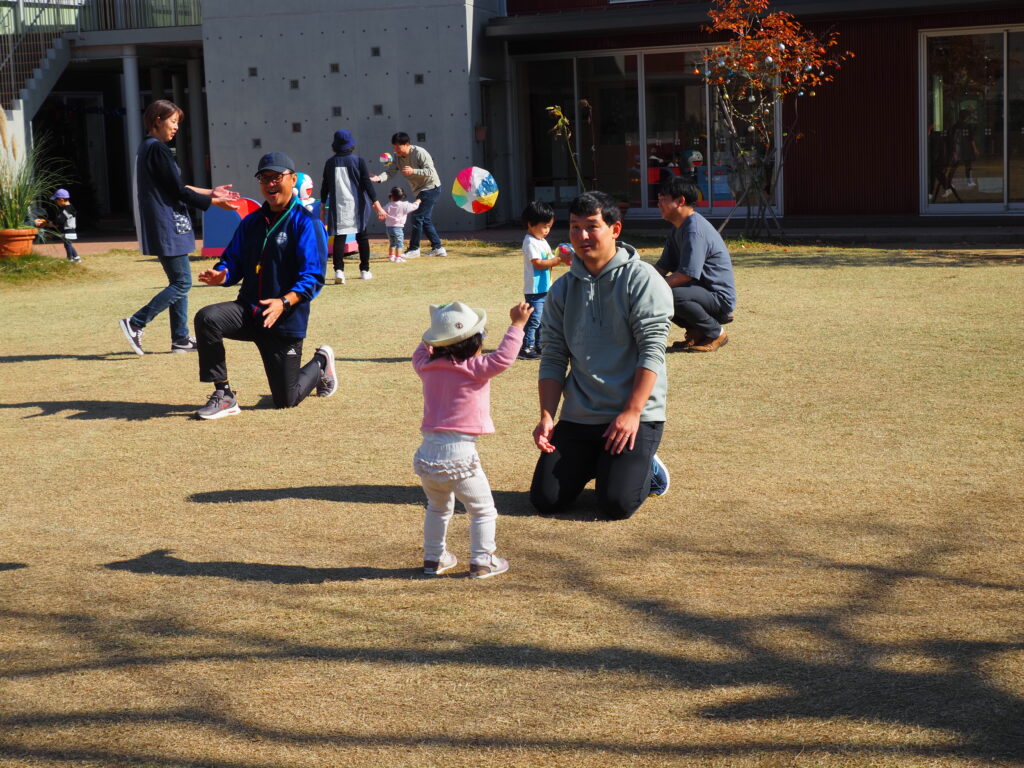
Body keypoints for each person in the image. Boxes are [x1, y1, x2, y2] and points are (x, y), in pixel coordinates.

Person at [530, 191, 674, 520]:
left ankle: (647, 468)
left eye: (592, 226)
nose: (582, 236)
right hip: (580, 416)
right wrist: (547, 416)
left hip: (634, 415)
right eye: (575, 227)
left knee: (615, 505)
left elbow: (652, 350)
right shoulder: (562, 289)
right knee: (545, 500)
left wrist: (633, 412)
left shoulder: (643, 279)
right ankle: (603, 463)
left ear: (615, 230)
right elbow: (553, 356)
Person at [193, 152, 334, 420]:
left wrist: (284, 302)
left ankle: (321, 363)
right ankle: (224, 394)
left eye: (276, 177)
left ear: (292, 179)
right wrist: (222, 275)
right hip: (249, 312)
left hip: (284, 321)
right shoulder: (252, 222)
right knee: (208, 318)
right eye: (264, 178)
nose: (270, 184)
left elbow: (313, 277)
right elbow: (232, 260)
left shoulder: (307, 223)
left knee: (286, 400)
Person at [413, 300, 532, 578]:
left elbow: (421, 349)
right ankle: (482, 560)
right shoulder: (476, 367)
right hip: (459, 455)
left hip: (427, 453)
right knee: (483, 510)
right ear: (475, 342)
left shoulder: (426, 366)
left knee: (437, 507)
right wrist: (517, 325)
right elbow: (504, 357)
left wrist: (436, 327)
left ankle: (434, 558)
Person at [120, 99, 238, 356]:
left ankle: (180, 339)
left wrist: (211, 192)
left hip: (168, 223)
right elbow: (177, 191)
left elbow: (177, 186)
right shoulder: (157, 149)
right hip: (167, 224)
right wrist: (214, 202)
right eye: (173, 121)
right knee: (183, 283)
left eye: (177, 123)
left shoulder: (149, 148)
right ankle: (136, 322)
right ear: (157, 120)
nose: (176, 127)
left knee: (178, 281)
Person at [654, 176, 736, 353]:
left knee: (670, 293)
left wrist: (654, 286)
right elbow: (662, 267)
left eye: (663, 199)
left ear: (680, 201)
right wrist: (639, 281)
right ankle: (697, 332)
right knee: (658, 292)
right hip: (698, 293)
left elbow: (686, 274)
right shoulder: (677, 228)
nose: (658, 204)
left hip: (717, 298)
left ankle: (717, 333)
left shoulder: (694, 229)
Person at [319, 129, 386, 284]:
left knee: (339, 238)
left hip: (338, 207)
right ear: (351, 145)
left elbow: (324, 187)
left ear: (335, 146)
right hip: (358, 205)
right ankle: (364, 270)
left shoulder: (330, 163)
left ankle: (339, 271)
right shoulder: (358, 161)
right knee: (362, 237)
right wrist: (378, 206)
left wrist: (322, 209)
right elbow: (367, 185)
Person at [370, 132, 445, 259]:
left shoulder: (420, 152)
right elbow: (391, 172)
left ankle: (414, 249)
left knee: (417, 217)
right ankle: (438, 248)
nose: (395, 150)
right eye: (394, 147)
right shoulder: (397, 157)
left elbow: (430, 171)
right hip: (420, 190)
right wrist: (379, 178)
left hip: (431, 187)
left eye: (398, 147)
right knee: (424, 219)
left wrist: (413, 171)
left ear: (407, 144)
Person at [518, 200, 565, 360]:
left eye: (549, 227)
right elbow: (538, 264)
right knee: (534, 320)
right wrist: (557, 260)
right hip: (534, 290)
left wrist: (561, 256)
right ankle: (526, 347)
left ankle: (539, 345)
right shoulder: (530, 242)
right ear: (530, 224)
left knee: (543, 319)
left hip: (544, 287)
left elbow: (550, 258)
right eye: (544, 226)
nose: (547, 231)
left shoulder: (541, 241)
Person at [34, 188, 80, 262]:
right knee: (69, 244)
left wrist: (47, 224)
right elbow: (59, 221)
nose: (56, 202)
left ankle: (70, 258)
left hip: (68, 231)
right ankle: (76, 257)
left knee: (67, 245)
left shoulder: (65, 210)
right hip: (71, 230)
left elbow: (59, 223)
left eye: (56, 200)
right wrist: (48, 222)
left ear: (61, 199)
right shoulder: (70, 207)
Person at [383, 186, 420, 262]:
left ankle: (391, 256)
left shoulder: (388, 205)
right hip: (398, 227)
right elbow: (414, 206)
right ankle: (398, 257)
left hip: (389, 227)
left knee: (392, 243)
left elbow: (382, 211)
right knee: (399, 243)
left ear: (391, 195)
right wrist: (418, 201)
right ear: (402, 196)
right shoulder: (404, 205)